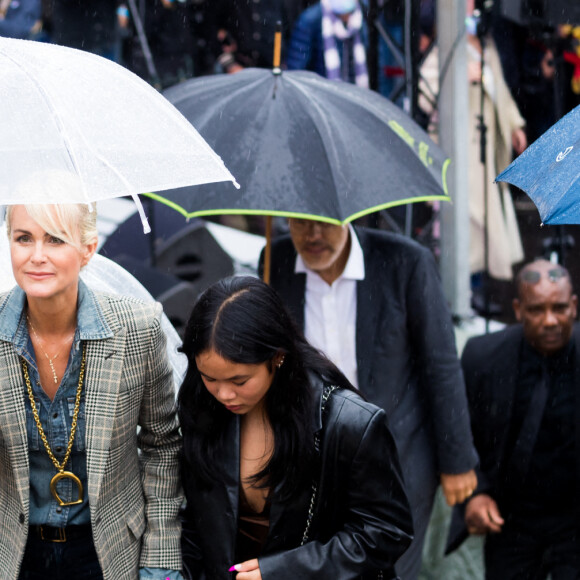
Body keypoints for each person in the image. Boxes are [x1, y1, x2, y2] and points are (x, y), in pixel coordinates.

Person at [259, 219, 478, 580]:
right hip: (312, 458)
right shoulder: (275, 258)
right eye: (301, 222)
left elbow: (439, 363)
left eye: (324, 223)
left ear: (347, 215)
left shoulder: (405, 261)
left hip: (397, 452)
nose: (312, 235)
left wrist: (457, 460)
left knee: (387, 567)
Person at [178, 275, 413, 580]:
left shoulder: (349, 424)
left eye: (239, 381)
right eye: (209, 377)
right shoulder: (203, 408)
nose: (224, 394)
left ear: (277, 357)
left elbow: (387, 531)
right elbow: (195, 523)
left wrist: (284, 571)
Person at [0, 203, 183, 579]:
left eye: (54, 239)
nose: (37, 256)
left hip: (112, 553)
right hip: (12, 552)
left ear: (88, 249)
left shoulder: (138, 327)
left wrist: (160, 560)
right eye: (23, 238)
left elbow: (163, 446)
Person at [446, 259, 580, 578]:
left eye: (560, 308)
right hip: (511, 519)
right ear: (518, 310)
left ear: (574, 306)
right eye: (537, 310)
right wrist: (475, 494)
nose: (550, 321)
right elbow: (460, 433)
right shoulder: (483, 356)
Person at [287, 0, 369, 87]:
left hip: (353, 92)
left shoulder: (361, 16)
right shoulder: (311, 20)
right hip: (321, 91)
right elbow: (296, 70)